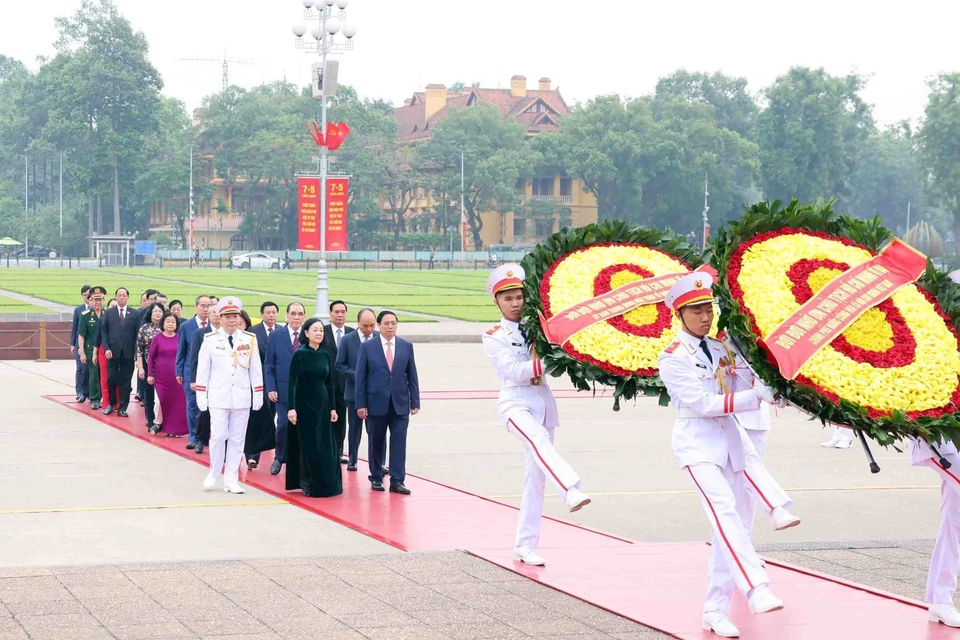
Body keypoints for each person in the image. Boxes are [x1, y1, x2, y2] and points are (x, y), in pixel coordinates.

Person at [659, 272, 800, 638]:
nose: (705, 317)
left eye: (708, 308)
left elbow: (739, 386)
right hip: (697, 443)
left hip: (729, 440)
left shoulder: (720, 349)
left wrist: (765, 381)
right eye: (696, 311)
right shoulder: (672, 357)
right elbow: (704, 403)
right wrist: (755, 397)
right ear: (679, 314)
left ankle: (714, 609)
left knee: (729, 523)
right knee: (724, 512)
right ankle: (757, 587)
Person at [482, 264, 590, 567]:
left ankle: (524, 545)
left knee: (535, 478)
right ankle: (570, 489)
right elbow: (514, 371)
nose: (515, 303)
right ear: (497, 302)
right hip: (515, 404)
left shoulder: (540, 326)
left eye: (519, 297)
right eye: (508, 299)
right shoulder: (493, 336)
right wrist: (550, 357)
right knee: (540, 441)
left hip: (543, 402)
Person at [195, 297, 264, 494]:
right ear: (221, 318)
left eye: (235, 316)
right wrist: (202, 396)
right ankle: (214, 472)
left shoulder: (249, 339)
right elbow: (203, 370)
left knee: (237, 438)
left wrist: (257, 394)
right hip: (218, 396)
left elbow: (255, 369)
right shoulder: (210, 340)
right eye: (228, 316)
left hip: (241, 396)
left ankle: (231, 479)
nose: (232, 320)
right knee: (218, 436)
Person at [355, 310, 420, 494]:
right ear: (378, 325)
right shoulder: (368, 347)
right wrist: (361, 404)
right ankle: (376, 476)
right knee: (376, 441)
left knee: (399, 442)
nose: (390, 326)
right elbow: (361, 378)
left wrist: (415, 401)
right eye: (386, 323)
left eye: (393, 323)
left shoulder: (406, 346)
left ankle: (397, 480)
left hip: (400, 404)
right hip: (376, 403)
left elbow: (412, 375)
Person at [285, 318, 342, 497]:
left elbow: (330, 383)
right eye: (314, 330)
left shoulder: (325, 355)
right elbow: (292, 382)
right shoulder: (300, 354)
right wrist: (291, 408)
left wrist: (333, 408)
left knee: (325, 444)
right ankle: (307, 482)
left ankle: (326, 483)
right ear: (307, 333)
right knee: (308, 445)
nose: (319, 333)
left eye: (321, 330)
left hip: (323, 406)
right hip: (304, 406)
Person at [910, 437, 960, 627]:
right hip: (938, 439)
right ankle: (941, 598)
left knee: (954, 520)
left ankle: (940, 599)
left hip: (953, 439)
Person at [335, 307, 379, 471]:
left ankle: (379, 461)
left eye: (372, 326)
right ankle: (353, 459)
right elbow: (339, 365)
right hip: (354, 392)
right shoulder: (347, 340)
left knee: (376, 429)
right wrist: (358, 375)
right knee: (354, 428)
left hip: (375, 393)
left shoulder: (378, 338)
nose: (369, 330)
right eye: (365, 326)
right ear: (358, 323)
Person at [266, 302, 306, 476]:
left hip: (304, 391)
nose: (296, 317)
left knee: (301, 427)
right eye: (293, 314)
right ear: (287, 316)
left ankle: (299, 461)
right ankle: (279, 457)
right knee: (283, 424)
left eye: (300, 314)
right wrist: (271, 387)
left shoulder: (309, 335)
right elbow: (269, 364)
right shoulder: (276, 335)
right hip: (282, 391)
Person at [238, 310, 276, 469]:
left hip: (254, 386)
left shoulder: (252, 339)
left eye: (241, 323)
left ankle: (252, 454)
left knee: (254, 420)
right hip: (232, 389)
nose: (237, 326)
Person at [177, 295, 212, 450]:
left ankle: (204, 436)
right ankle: (193, 436)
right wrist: (179, 371)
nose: (206, 309)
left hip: (210, 374)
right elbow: (181, 350)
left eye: (208, 306)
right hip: (190, 372)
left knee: (206, 407)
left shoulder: (215, 325)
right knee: (192, 405)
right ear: (196, 307)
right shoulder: (186, 326)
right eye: (203, 306)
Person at [321, 300, 354, 463]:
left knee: (341, 420)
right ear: (330, 313)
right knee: (324, 418)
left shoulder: (352, 333)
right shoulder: (322, 332)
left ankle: (339, 451)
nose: (340, 315)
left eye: (343, 312)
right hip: (325, 384)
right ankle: (326, 449)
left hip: (345, 385)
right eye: (336, 312)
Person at [147, 312, 188, 438]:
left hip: (176, 376)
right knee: (160, 401)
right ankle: (158, 423)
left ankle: (173, 429)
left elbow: (184, 356)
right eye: (168, 321)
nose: (170, 324)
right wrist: (150, 374)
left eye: (173, 322)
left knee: (176, 403)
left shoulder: (179, 337)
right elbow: (151, 357)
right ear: (163, 323)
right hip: (161, 376)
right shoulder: (157, 338)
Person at [188, 298, 220, 455]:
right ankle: (200, 440)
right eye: (214, 312)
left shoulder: (228, 333)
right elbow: (194, 358)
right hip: (205, 379)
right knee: (203, 411)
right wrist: (194, 380)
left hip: (221, 380)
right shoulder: (200, 333)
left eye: (219, 313)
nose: (217, 316)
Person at [101, 287, 139, 417]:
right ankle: (111, 403)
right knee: (111, 379)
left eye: (124, 295)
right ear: (116, 297)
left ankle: (123, 407)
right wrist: (106, 348)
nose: (122, 297)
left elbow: (137, 334)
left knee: (126, 381)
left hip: (128, 353)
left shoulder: (134, 314)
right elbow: (104, 332)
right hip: (112, 352)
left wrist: (136, 352)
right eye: (119, 295)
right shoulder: (109, 313)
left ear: (128, 297)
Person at [77, 286, 106, 411]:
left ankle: (105, 398)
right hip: (90, 349)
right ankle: (95, 398)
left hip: (104, 349)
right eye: (95, 300)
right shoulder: (86, 315)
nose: (98, 302)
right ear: (91, 301)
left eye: (100, 300)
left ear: (103, 300)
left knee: (104, 374)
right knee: (93, 373)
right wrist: (82, 352)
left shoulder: (107, 314)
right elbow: (81, 335)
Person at [137, 303, 165, 432]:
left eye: (160, 311)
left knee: (163, 395)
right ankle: (150, 419)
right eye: (155, 311)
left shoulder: (167, 328)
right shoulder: (144, 328)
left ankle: (163, 421)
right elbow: (139, 350)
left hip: (164, 366)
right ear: (150, 313)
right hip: (149, 366)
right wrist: (141, 368)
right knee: (149, 395)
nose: (158, 313)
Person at [70, 285, 92, 403]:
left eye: (89, 295)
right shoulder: (79, 310)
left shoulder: (98, 309)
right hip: (80, 343)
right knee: (81, 369)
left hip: (92, 343)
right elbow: (75, 328)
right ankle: (80, 391)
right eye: (85, 295)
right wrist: (73, 344)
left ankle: (89, 392)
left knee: (90, 370)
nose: (87, 297)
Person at [96, 298, 117, 410]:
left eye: (115, 306)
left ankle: (117, 403)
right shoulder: (102, 320)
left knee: (116, 378)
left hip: (118, 351)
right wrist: (94, 354)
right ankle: (106, 402)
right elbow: (98, 339)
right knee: (105, 378)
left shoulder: (122, 320)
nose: (113, 308)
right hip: (104, 351)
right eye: (111, 306)